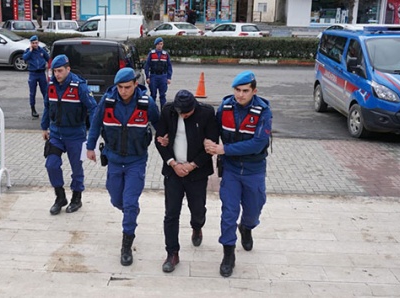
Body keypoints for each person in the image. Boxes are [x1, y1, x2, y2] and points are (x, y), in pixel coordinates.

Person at [86, 68, 160, 266]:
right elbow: (95, 123)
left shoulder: (146, 103)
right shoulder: (108, 101)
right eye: (120, 87)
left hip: (136, 161)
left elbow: (160, 125)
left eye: (127, 87)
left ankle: (126, 244)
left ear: (135, 84)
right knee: (116, 199)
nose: (123, 91)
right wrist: (90, 147)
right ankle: (130, 211)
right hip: (114, 160)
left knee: (129, 203)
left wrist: (166, 142)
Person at [204, 70, 272, 278]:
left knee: (254, 208)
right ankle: (228, 254)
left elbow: (258, 143)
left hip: (254, 169)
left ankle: (247, 227)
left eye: (245, 91)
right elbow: (213, 130)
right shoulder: (224, 107)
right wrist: (208, 141)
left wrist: (225, 150)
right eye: (237, 90)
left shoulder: (263, 111)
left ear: (254, 91)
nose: (240, 95)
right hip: (231, 170)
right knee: (229, 213)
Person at [155, 90, 218, 273]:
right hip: (173, 171)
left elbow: (211, 145)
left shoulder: (206, 113)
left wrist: (191, 166)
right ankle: (172, 253)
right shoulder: (168, 111)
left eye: (186, 113)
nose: (183, 115)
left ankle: (197, 227)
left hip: (196, 173)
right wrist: (173, 163)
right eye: (180, 112)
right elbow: (159, 140)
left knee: (198, 209)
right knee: (171, 213)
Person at [41, 54, 97, 215]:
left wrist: (93, 132)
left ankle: (76, 198)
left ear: (68, 69)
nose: (56, 75)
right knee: (51, 164)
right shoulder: (51, 85)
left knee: (76, 168)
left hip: (75, 135)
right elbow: (46, 106)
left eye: (59, 71)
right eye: (54, 71)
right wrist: (44, 127)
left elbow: (93, 108)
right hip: (56, 134)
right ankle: (60, 197)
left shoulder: (79, 86)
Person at [23, 35, 49, 118]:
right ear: (31, 44)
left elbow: (48, 58)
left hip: (41, 73)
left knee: (45, 91)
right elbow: (24, 58)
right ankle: (33, 109)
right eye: (33, 43)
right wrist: (30, 51)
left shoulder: (41, 50)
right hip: (33, 73)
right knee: (32, 93)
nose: (35, 45)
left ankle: (47, 107)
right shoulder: (28, 51)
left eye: (36, 43)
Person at [144, 37, 172, 109]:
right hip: (153, 76)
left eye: (161, 44)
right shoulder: (151, 54)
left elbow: (169, 66)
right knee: (153, 95)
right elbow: (147, 66)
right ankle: (153, 111)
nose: (160, 46)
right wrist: (147, 77)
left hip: (163, 76)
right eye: (158, 44)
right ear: (155, 45)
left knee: (162, 95)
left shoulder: (165, 54)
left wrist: (169, 78)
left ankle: (163, 111)